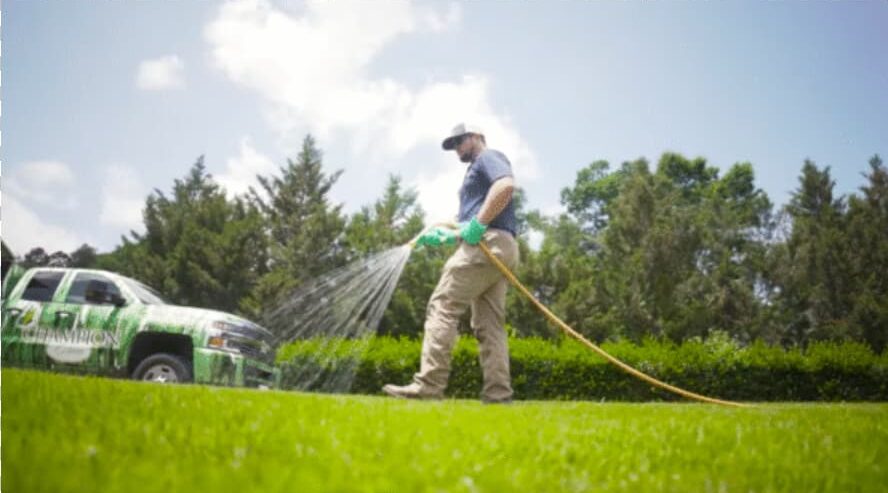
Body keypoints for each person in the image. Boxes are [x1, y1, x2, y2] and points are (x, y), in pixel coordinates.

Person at [383, 123, 520, 404]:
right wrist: (450, 233)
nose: (457, 147)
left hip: (486, 244)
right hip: (500, 245)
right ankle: (498, 396)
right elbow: (474, 215)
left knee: (442, 306)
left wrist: (477, 226)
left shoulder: (488, 157)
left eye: (460, 141)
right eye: (453, 144)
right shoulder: (474, 172)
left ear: (477, 137)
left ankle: (429, 387)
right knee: (489, 324)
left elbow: (505, 186)